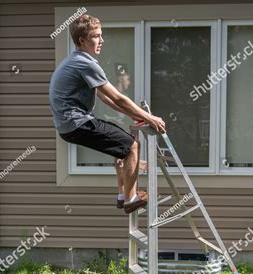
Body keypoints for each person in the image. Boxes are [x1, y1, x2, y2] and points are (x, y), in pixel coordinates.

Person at [49, 14, 166, 214]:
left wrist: (133, 115)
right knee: (131, 146)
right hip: (77, 122)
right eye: (96, 36)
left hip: (69, 125)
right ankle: (131, 199)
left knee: (120, 147)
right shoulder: (85, 63)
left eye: (101, 35)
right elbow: (119, 97)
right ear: (82, 40)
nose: (101, 40)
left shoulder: (77, 61)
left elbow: (106, 99)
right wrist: (149, 117)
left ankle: (123, 195)